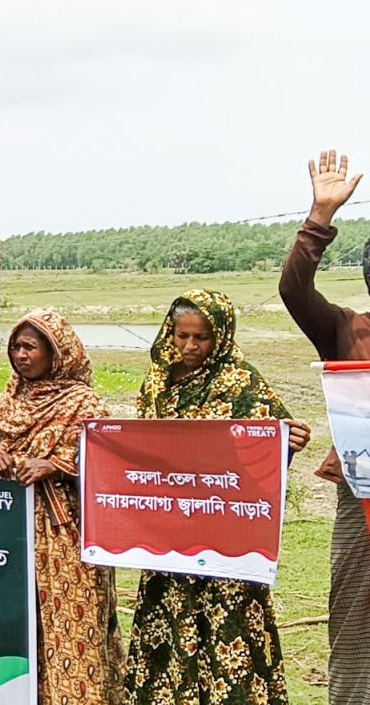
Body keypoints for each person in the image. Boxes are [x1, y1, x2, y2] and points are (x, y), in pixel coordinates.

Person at [123, 290, 312, 704]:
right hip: (169, 541)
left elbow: (264, 460)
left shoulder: (241, 384)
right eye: (182, 335)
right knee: (168, 625)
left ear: (221, 336)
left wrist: (287, 443)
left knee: (229, 629)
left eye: (202, 337)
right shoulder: (157, 383)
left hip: (226, 542)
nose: (190, 346)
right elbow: (143, 450)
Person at [0, 309, 123, 703]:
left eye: (30, 347)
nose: (20, 355)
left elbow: (108, 461)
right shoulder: (13, 396)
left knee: (73, 620)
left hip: (66, 530)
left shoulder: (83, 403)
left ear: (57, 352)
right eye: (15, 347)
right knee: (20, 619)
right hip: (13, 525)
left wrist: (54, 465)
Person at [277, 149, 370, 704]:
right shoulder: (346, 329)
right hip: (362, 497)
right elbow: (294, 291)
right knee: (355, 619)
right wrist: (320, 218)